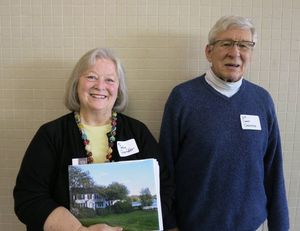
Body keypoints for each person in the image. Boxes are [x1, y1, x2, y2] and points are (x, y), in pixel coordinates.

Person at [14, 47, 176, 231]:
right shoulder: (51, 135)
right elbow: (28, 199)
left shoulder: (138, 132)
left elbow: (165, 187)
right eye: (91, 77)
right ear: (76, 84)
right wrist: (79, 230)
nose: (100, 86)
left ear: (118, 88)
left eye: (109, 79)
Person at [159, 15, 289, 231]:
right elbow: (165, 169)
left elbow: (274, 171)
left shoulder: (262, 100)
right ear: (209, 52)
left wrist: (280, 226)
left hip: (250, 225)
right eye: (226, 44)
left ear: (251, 54)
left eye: (244, 45)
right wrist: (169, 225)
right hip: (192, 225)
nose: (235, 53)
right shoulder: (183, 98)